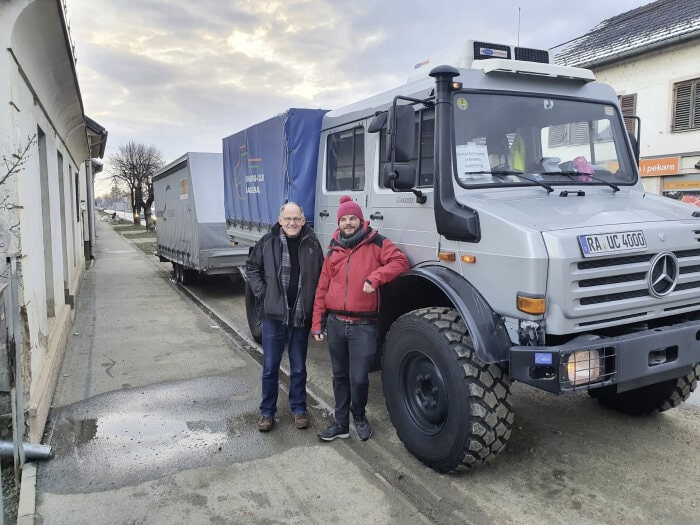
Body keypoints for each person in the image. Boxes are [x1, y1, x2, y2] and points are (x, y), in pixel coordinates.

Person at [312, 196, 409, 441]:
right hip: (335, 324)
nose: (348, 223)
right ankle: (341, 424)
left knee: (358, 378)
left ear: (360, 219)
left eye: (352, 218)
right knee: (340, 377)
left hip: (363, 326)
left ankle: (359, 417)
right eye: (343, 219)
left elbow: (400, 262)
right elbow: (322, 288)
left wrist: (375, 277)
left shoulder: (376, 242)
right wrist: (317, 324)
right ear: (339, 222)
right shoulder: (333, 248)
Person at [246, 202, 324, 432]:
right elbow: (252, 268)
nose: (292, 223)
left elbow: (321, 278)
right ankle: (267, 413)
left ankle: (299, 409)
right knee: (270, 367)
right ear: (280, 220)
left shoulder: (312, 244)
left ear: (303, 221)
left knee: (298, 367)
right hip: (274, 318)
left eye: (296, 219)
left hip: (300, 317)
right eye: (287, 219)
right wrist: (263, 293)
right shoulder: (267, 242)